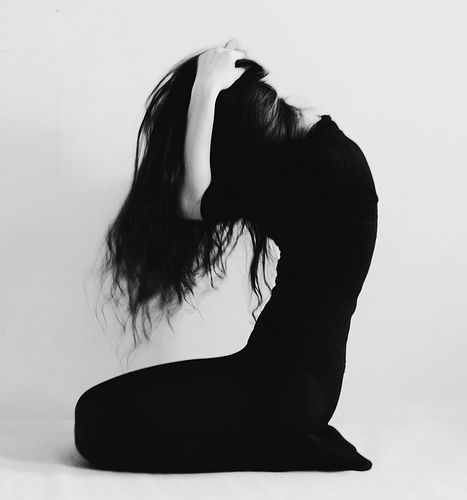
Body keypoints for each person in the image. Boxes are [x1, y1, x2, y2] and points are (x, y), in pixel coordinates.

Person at [74, 39, 379, 473]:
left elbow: (190, 201)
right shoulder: (317, 151)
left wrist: (205, 94)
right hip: (281, 379)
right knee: (94, 417)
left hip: (291, 389)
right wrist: (215, 88)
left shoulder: (321, 169)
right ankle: (285, 443)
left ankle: (289, 449)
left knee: (100, 429)